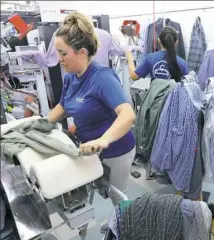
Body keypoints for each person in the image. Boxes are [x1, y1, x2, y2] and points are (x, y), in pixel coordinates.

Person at [46, 11, 136, 232]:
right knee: (84, 195)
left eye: (63, 53)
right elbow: (63, 107)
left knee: (118, 196)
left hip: (116, 150)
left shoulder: (102, 77)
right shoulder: (70, 78)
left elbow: (128, 114)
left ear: (82, 52)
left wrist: (104, 140)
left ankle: (124, 230)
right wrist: (37, 126)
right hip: (87, 150)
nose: (60, 59)